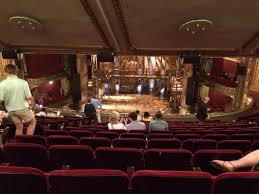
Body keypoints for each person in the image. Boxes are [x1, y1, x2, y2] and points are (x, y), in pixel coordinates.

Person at [0, 64, 36, 135]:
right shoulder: (23, 82)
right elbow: (29, 98)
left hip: (11, 110)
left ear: (5, 72)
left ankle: (19, 143)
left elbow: (0, 100)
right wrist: (32, 105)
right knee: (32, 122)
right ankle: (27, 142)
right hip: (22, 108)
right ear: (16, 71)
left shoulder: (2, 84)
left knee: (19, 127)